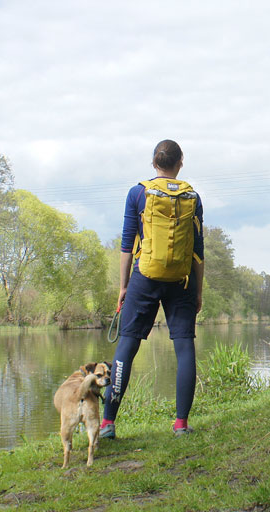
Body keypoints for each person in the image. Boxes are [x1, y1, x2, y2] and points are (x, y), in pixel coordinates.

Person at [99, 139, 204, 439]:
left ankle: (108, 423)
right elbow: (198, 250)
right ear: (180, 162)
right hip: (182, 280)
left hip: (144, 277)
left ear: (154, 162)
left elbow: (126, 243)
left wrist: (123, 287)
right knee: (184, 347)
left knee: (127, 346)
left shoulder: (137, 193)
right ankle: (181, 424)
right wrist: (198, 291)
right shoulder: (192, 197)